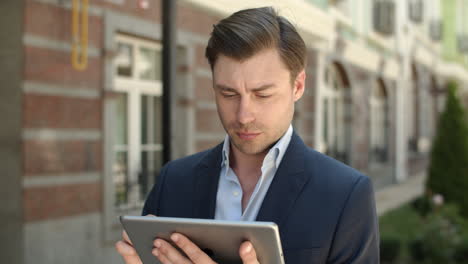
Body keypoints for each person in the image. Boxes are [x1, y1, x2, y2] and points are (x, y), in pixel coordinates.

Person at [116, 6, 379, 264]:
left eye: (262, 94)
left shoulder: (345, 195)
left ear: (297, 86)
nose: (243, 115)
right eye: (228, 94)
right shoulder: (172, 183)